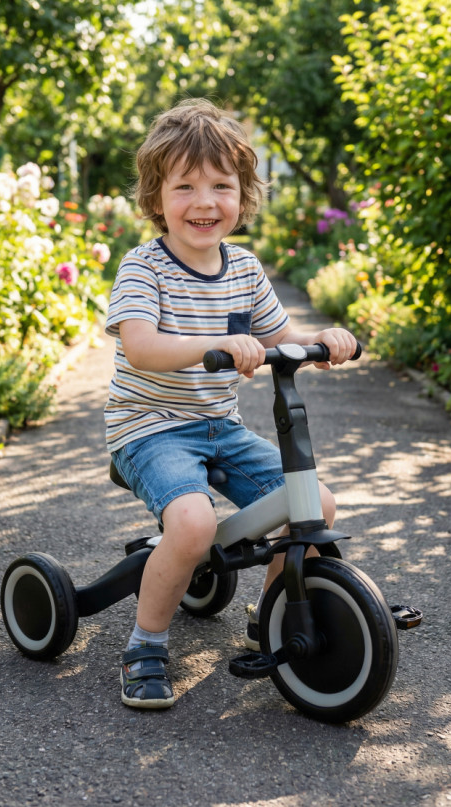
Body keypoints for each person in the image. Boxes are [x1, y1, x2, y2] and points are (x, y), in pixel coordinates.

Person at [104, 98, 357, 709]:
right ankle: (145, 645)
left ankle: (273, 617)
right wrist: (213, 343)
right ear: (156, 198)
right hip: (149, 429)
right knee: (191, 525)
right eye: (184, 186)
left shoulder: (243, 268)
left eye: (221, 186)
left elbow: (281, 337)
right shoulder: (144, 268)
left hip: (218, 425)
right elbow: (140, 346)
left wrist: (322, 342)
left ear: (242, 198)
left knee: (313, 504)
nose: (204, 202)